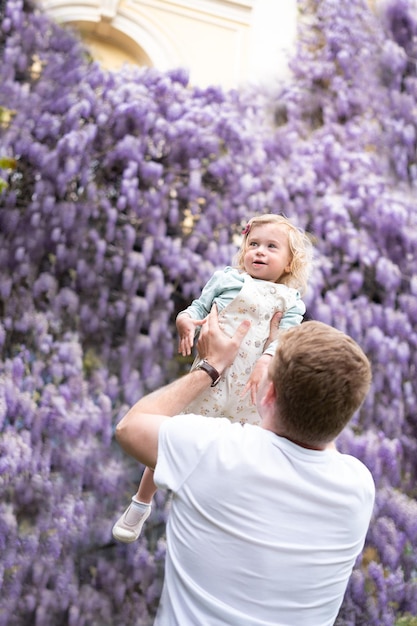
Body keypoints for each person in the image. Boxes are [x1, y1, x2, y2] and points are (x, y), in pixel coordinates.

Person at [115, 307, 375, 626]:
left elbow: (129, 427)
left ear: (269, 395)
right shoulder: (358, 487)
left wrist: (212, 367)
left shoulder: (215, 450)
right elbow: (319, 429)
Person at [112, 213, 313, 543]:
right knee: (172, 432)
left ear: (290, 263)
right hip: (211, 378)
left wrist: (266, 359)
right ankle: (141, 503)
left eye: (271, 247)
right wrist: (185, 325)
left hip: (249, 388)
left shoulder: (290, 301)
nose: (259, 251)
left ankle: (218, 515)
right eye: (253, 244)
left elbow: (284, 339)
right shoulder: (226, 279)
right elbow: (194, 309)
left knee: (239, 451)